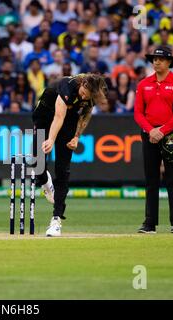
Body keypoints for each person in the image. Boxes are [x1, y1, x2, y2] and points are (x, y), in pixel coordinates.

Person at [32, 73, 108, 237]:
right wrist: (51, 139)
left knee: (62, 169)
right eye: (83, 94)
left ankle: (56, 219)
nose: (83, 97)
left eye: (87, 97)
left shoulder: (93, 93)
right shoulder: (68, 85)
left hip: (69, 120)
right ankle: (45, 183)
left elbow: (86, 114)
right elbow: (58, 116)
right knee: (37, 162)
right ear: (83, 84)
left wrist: (76, 137)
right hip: (45, 115)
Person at [134, 45, 173, 234]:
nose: (156, 62)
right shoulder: (143, 84)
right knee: (151, 180)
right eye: (154, 59)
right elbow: (138, 113)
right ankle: (150, 223)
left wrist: (162, 131)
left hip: (171, 134)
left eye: (161, 59)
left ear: (169, 63)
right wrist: (151, 131)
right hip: (150, 135)